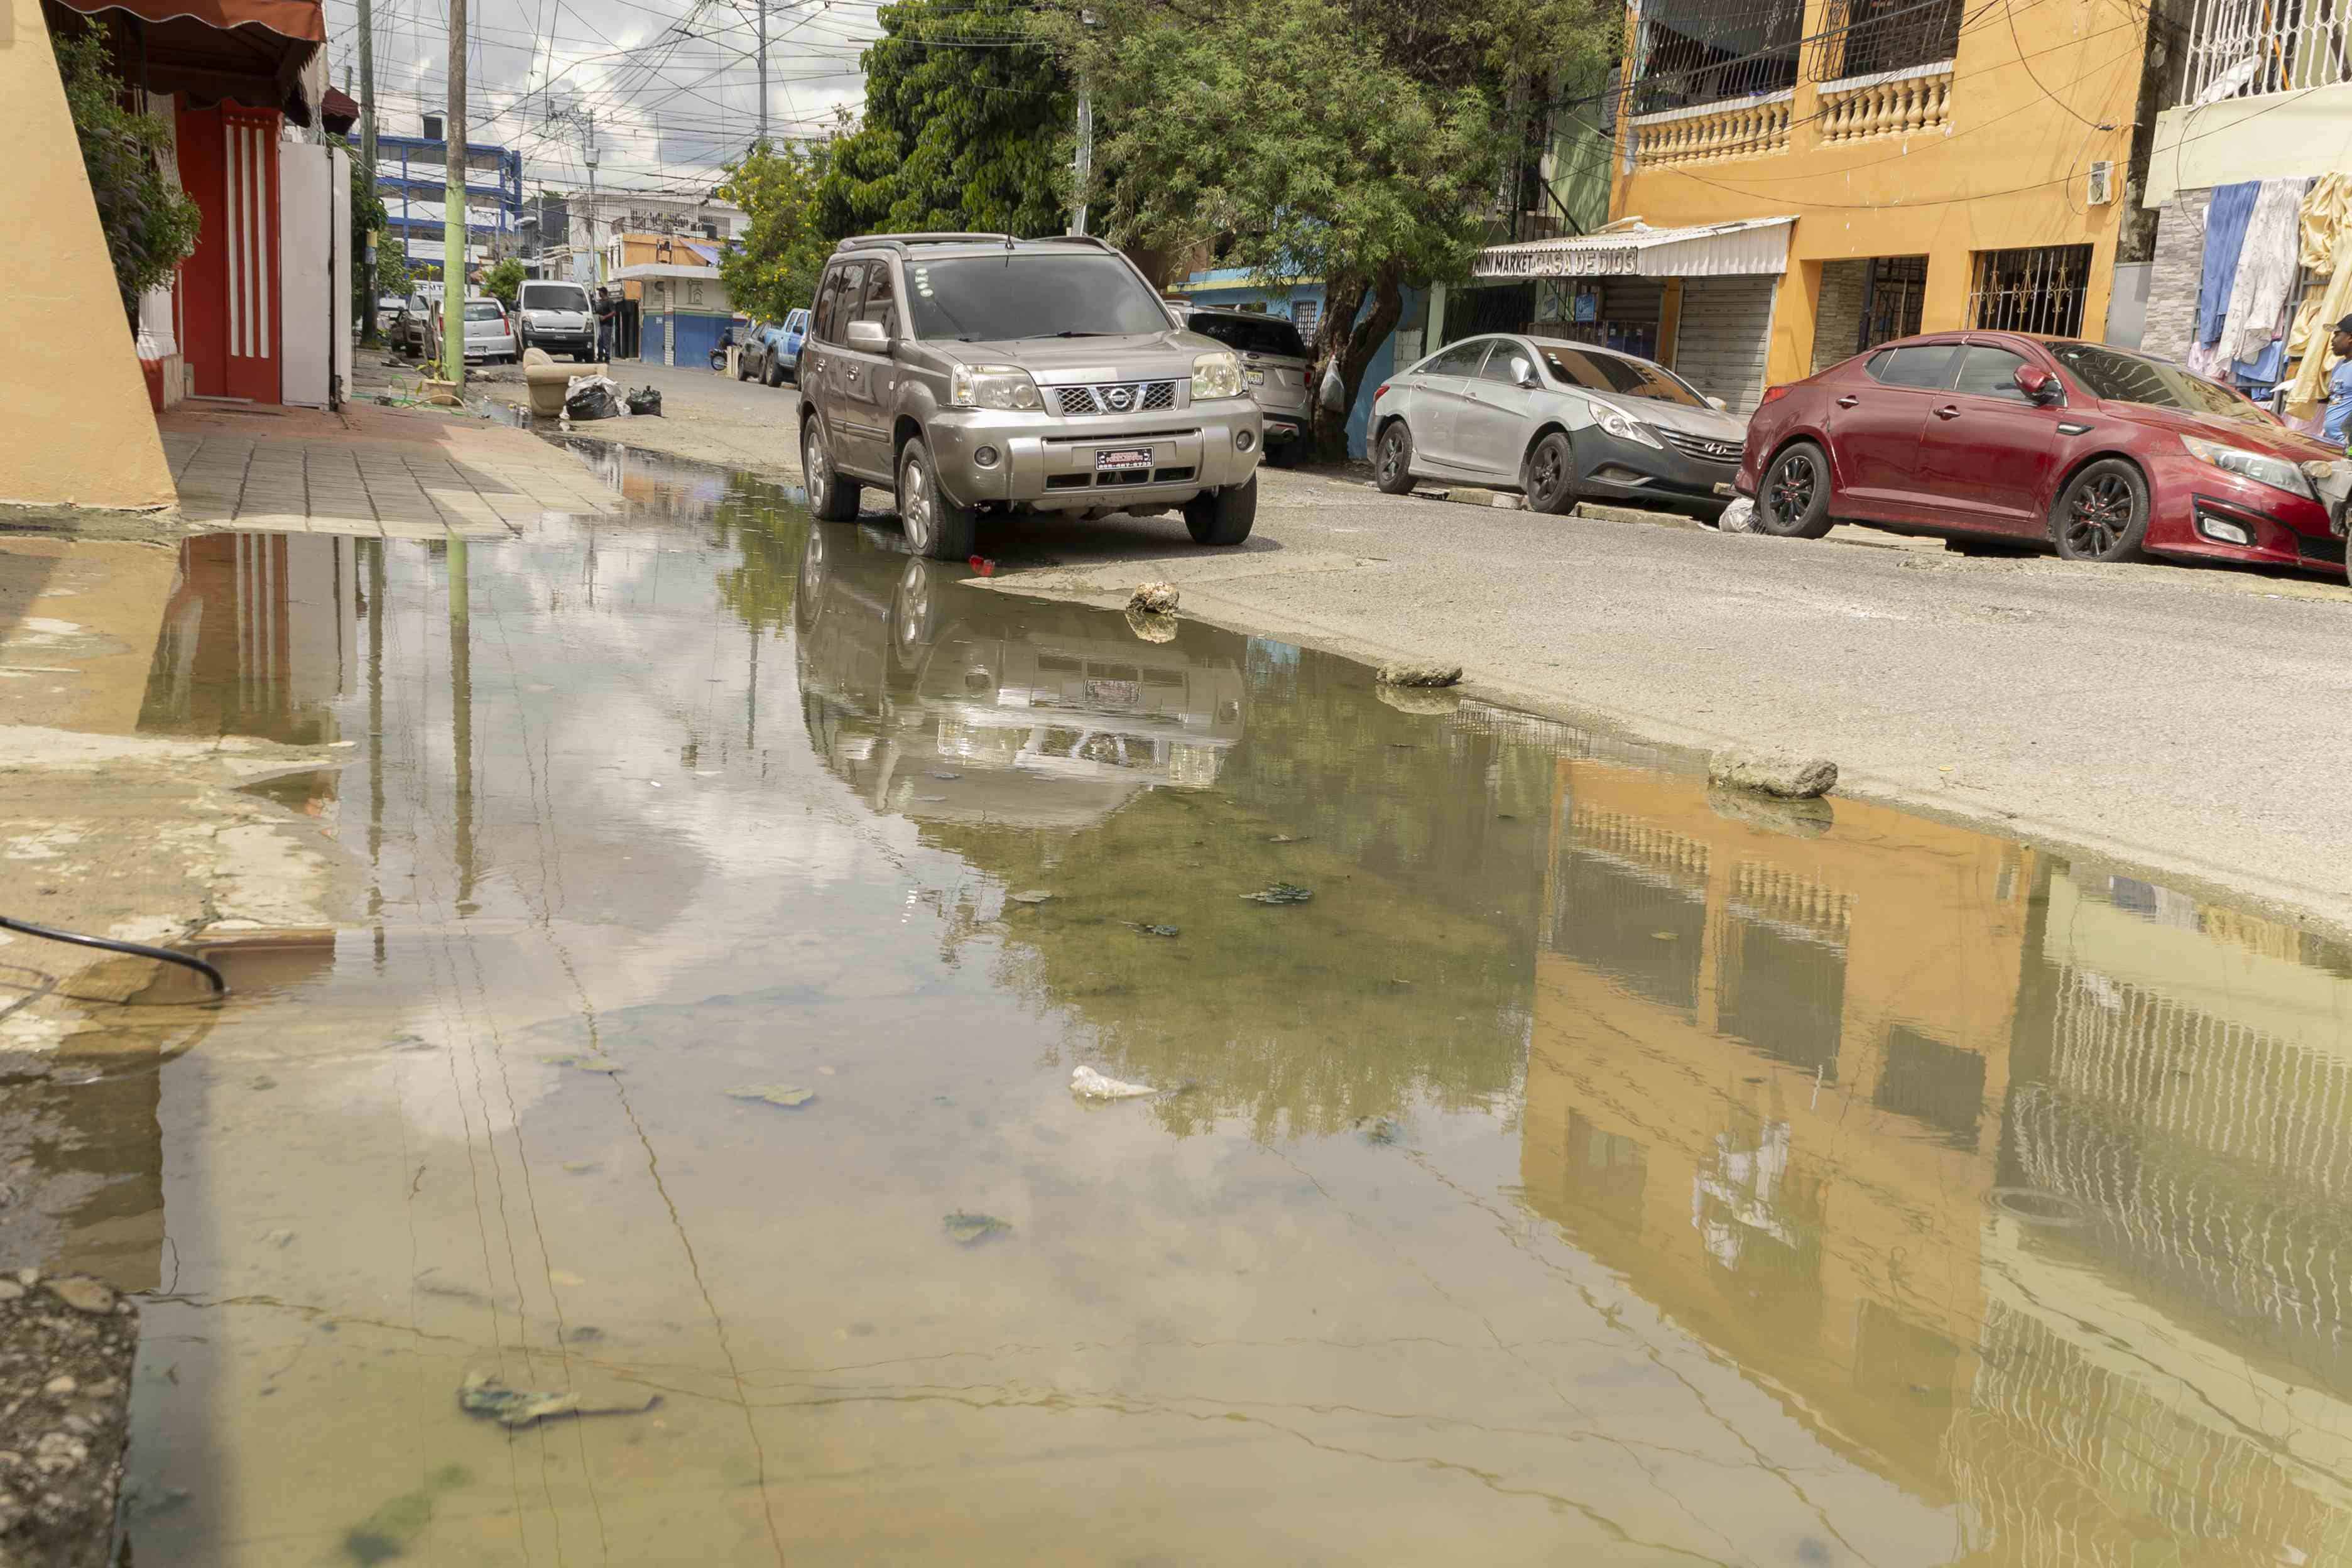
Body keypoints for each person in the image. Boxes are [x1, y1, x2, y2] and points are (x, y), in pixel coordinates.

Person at [2326, 314, 2352, 452]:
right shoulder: (2340, 365)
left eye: (2337, 334)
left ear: (2350, 337)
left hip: (2348, 447)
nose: (2333, 340)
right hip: (2333, 443)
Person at [594, 287, 617, 364]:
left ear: (603, 293)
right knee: (599, 341)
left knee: (606, 341)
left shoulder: (610, 302)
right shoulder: (600, 302)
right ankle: (600, 356)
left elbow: (614, 312)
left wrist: (605, 317)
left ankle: (607, 357)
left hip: (607, 325)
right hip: (599, 325)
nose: (599, 294)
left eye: (600, 292)